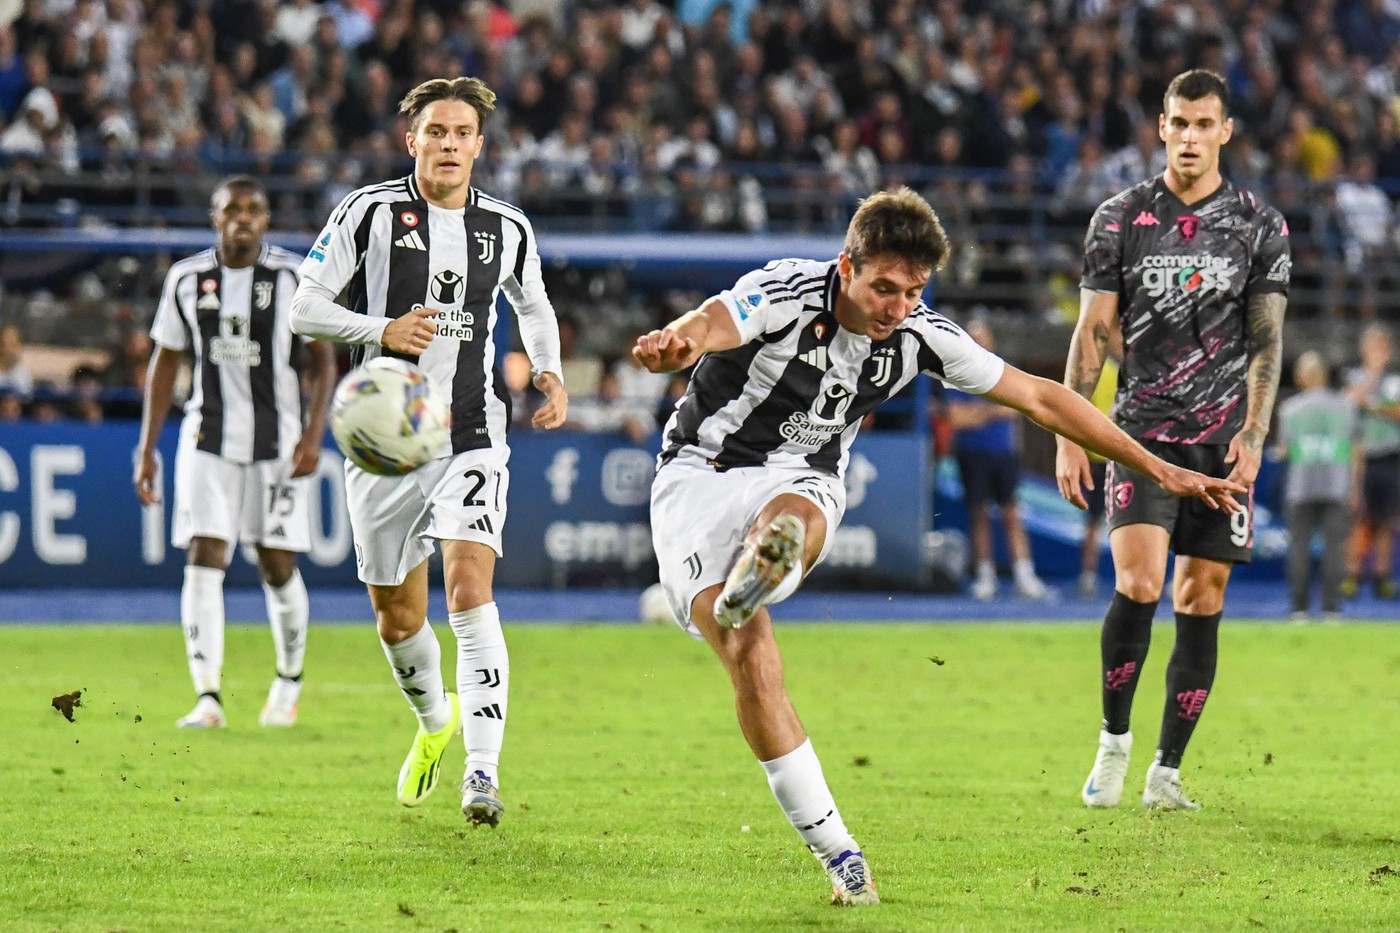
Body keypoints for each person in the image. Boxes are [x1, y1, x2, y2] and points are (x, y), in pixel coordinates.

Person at [634, 187, 1244, 905]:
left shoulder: (923, 333)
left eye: (912, 290)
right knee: (748, 654)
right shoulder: (786, 290)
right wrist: (678, 340)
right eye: (883, 288)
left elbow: (1042, 399)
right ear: (847, 267)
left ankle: (769, 569)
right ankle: (828, 822)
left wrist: (1157, 466)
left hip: (803, 477)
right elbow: (714, 321)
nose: (896, 306)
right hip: (701, 476)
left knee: (792, 517)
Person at [290, 77, 568, 826]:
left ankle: (482, 771)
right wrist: (379, 330)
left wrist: (549, 368)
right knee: (396, 615)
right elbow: (303, 305)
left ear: (480, 145)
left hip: (471, 429)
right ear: (409, 139)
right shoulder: (367, 212)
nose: (449, 144)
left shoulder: (507, 227)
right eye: (435, 132)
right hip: (384, 441)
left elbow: (533, 303)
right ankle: (434, 720)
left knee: (469, 587)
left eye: (462, 133)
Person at [1056, 70, 1289, 812]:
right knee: (1140, 583)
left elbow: (1266, 341)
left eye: (1203, 124)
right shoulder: (1121, 218)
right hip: (1139, 437)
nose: (1189, 137)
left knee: (1201, 594)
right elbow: (1093, 330)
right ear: (1161, 127)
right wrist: (1070, 433)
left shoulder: (1260, 223)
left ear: (1226, 132)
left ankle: (1167, 771)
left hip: (1221, 443)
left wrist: (1253, 431)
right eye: (1178, 123)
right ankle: (1113, 742)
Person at [134, 175, 337, 730]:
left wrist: (314, 435)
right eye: (231, 210)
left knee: (276, 563)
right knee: (204, 556)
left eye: (253, 210)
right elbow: (165, 363)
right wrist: (147, 448)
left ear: (266, 220)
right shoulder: (186, 279)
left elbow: (324, 362)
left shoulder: (295, 277)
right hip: (208, 440)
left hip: (277, 444)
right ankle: (207, 697)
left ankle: (288, 684)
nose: (242, 218)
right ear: (214, 217)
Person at [942, 319, 1050, 600]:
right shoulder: (955, 372)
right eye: (974, 338)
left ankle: (1024, 575)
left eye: (983, 338)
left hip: (1003, 453)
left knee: (1012, 512)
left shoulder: (1002, 370)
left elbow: (1015, 410)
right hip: (972, 453)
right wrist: (992, 410)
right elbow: (957, 419)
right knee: (978, 513)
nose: (979, 344)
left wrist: (977, 413)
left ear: (990, 341)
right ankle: (986, 575)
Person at [1277, 352, 1359, 620]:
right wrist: (1354, 487)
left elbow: (1284, 450)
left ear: (1302, 376)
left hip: (1301, 487)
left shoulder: (1289, 408)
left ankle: (1299, 609)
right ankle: (1331, 609)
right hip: (1336, 486)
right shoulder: (1346, 406)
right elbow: (1356, 450)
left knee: (1299, 548)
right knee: (1335, 548)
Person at [1342, 323, 1400, 598]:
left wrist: (1373, 406)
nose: (1376, 352)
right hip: (1362, 457)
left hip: (1391, 456)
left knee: (1388, 521)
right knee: (1360, 518)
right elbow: (1348, 403)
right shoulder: (1353, 375)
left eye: (1380, 347)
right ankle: (1352, 574)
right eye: (1371, 346)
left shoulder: (1396, 380)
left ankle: (1382, 576)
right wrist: (1373, 375)